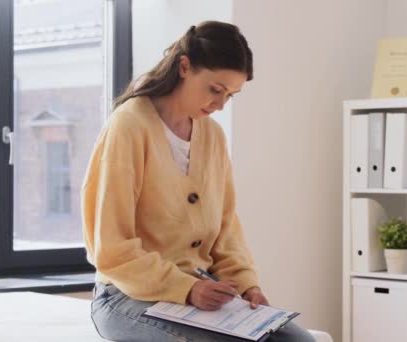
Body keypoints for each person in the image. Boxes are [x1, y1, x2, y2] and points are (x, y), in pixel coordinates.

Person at [81, 21, 314, 342]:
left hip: (200, 287)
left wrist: (247, 285)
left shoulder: (213, 136)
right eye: (215, 90)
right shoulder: (129, 125)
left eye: (230, 96)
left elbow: (226, 227)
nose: (219, 105)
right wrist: (186, 289)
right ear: (185, 66)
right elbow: (111, 247)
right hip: (125, 295)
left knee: (301, 341)